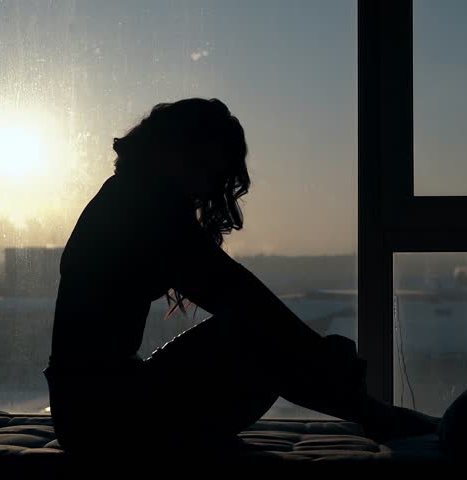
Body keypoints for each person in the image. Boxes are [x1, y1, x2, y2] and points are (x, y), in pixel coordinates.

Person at [44, 97, 437, 458]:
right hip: (102, 419)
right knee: (253, 334)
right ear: (182, 151)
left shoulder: (128, 197)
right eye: (212, 163)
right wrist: (320, 355)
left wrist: (316, 354)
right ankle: (373, 415)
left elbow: (240, 296)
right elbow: (241, 297)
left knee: (255, 332)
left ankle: (371, 413)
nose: (216, 180)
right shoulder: (143, 210)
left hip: (92, 410)